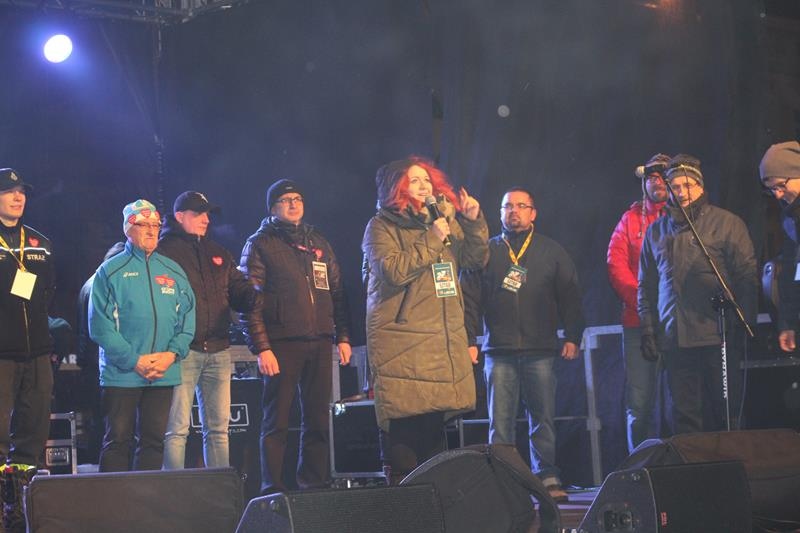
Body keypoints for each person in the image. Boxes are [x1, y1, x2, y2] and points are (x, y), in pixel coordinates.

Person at [362, 156, 489, 485]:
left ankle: (434, 503)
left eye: (427, 180)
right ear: (397, 187)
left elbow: (474, 259)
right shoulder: (380, 226)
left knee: (434, 431)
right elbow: (392, 270)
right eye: (414, 180)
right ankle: (404, 505)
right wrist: (432, 238)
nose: (423, 186)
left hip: (439, 339)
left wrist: (472, 222)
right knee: (405, 427)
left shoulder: (441, 219)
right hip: (403, 339)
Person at [462, 186, 584, 503]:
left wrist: (573, 335)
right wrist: (469, 339)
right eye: (507, 206)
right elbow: (469, 299)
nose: (513, 211)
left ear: (533, 213)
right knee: (499, 423)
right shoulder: (486, 251)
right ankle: (504, 482)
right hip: (498, 351)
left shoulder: (551, 251)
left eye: (520, 206)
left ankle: (547, 476)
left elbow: (570, 296)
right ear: (500, 213)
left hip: (540, 350)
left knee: (542, 419)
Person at [240, 179, 352, 495]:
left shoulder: (318, 243)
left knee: (318, 419)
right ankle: (271, 490)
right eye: (286, 199)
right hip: (281, 343)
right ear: (272, 207)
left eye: (298, 199)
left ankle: (314, 484)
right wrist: (262, 347)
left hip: (320, 340)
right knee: (276, 421)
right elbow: (249, 301)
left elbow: (338, 293)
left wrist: (343, 336)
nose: (293, 204)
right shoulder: (260, 243)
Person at [638, 154, 758, 435]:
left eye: (688, 185)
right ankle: (693, 463)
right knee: (685, 416)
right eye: (675, 186)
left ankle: (732, 459)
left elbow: (747, 276)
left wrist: (743, 323)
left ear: (701, 186)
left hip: (718, 336)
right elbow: (646, 286)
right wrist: (648, 330)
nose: (681, 192)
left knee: (725, 412)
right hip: (675, 338)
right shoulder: (656, 231)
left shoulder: (727, 223)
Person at [89, 199, 196, 472]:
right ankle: (112, 499)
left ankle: (147, 499)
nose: (151, 230)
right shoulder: (110, 271)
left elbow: (188, 319)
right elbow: (99, 326)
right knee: (117, 441)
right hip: (122, 373)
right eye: (143, 224)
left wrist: (171, 354)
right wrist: (134, 360)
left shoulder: (173, 271)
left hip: (163, 373)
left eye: (155, 225)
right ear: (128, 229)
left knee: (154, 443)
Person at [159, 191, 259, 470]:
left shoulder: (217, 252)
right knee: (176, 429)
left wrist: (258, 295)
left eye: (207, 214)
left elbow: (239, 291)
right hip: (181, 352)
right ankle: (172, 492)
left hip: (218, 349)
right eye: (198, 214)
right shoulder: (163, 252)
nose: (206, 219)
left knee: (218, 430)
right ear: (180, 216)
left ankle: (218, 490)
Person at [0, 168, 55, 531]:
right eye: (9, 191)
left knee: (32, 435)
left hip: (36, 354)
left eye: (21, 191)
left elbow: (48, 291)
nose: (18, 197)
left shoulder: (40, 242)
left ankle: (21, 508)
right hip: (0, 356)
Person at [606, 153, 670, 453]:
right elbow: (616, 266)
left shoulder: (683, 219)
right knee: (640, 402)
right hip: (639, 325)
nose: (656, 182)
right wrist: (644, 305)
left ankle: (682, 465)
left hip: (678, 324)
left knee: (678, 401)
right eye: (651, 178)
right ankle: (641, 465)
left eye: (662, 177)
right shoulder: (629, 220)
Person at [76, 241, 126, 463]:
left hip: (90, 362)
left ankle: (96, 464)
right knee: (111, 423)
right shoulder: (102, 285)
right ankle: (105, 468)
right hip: (103, 362)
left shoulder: (89, 283)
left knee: (100, 420)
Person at [759, 141, 800, 352]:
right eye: (772, 190)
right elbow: (793, 272)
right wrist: (788, 324)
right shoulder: (790, 219)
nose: (778, 195)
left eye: (781, 185)